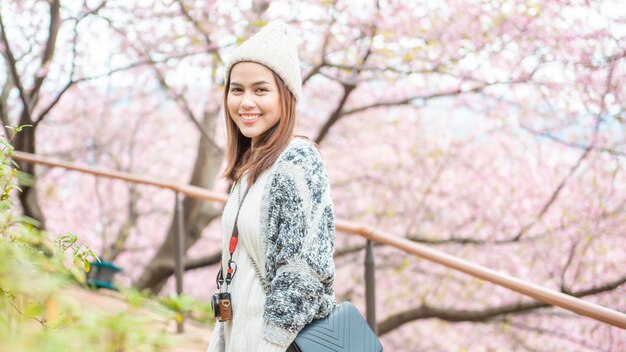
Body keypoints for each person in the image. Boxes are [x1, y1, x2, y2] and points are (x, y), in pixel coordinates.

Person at [207, 20, 336, 352]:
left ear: (285, 96)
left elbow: (303, 274)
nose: (246, 102)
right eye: (237, 89)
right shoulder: (250, 166)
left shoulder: (297, 162)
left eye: (260, 90)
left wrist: (270, 345)